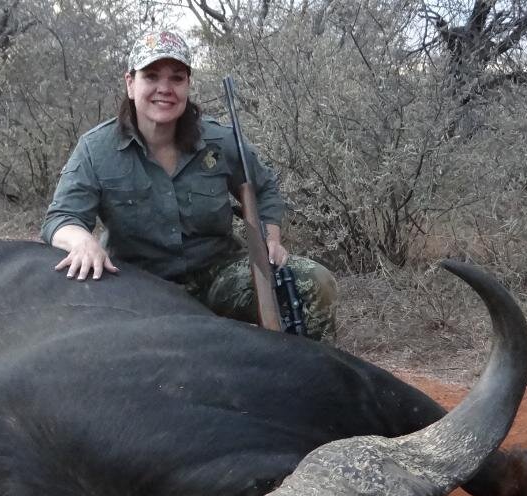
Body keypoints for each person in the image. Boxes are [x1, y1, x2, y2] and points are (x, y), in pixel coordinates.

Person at [40, 30, 337, 342]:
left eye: (177, 78)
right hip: (137, 283)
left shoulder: (221, 140)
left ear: (188, 85)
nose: (164, 89)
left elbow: (264, 190)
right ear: (131, 83)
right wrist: (83, 242)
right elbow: (61, 217)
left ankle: (313, 378)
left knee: (313, 283)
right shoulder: (95, 148)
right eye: (151, 76)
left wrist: (270, 240)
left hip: (217, 275)